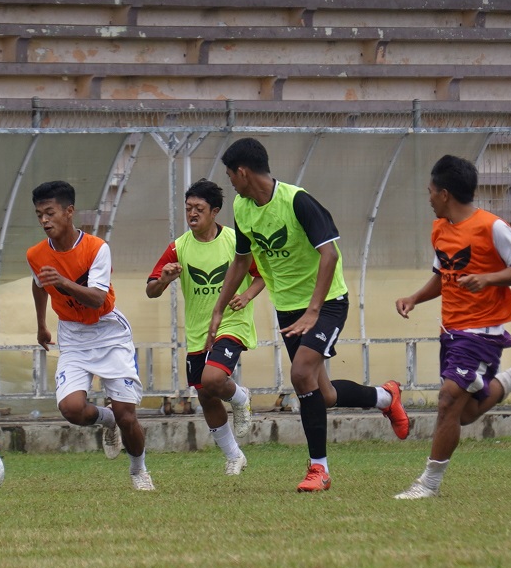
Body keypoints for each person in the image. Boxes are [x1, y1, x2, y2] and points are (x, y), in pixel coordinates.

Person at [208, 137, 410, 493]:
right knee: (324, 394)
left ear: (242, 172)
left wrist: (314, 310)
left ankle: (320, 469)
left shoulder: (297, 200)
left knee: (301, 374)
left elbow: (329, 255)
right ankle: (385, 396)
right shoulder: (242, 207)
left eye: (230, 175)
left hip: (328, 301)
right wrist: (219, 307)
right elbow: (242, 260)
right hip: (289, 309)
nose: (231, 183)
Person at [393, 154, 511, 499]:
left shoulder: (492, 227)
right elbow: (444, 277)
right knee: (465, 413)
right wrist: (414, 298)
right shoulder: (440, 229)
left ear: (444, 194)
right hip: (452, 331)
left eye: (430, 191)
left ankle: (428, 485)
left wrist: (488, 279)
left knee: (446, 402)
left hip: (482, 333)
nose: (427, 198)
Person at [27, 180, 154, 491]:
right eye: (39, 215)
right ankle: (105, 420)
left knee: (127, 416)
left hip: (108, 332)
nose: (44, 220)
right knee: (71, 408)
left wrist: (63, 281)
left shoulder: (97, 248)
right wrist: (42, 324)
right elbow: (39, 284)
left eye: (50, 213)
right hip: (73, 336)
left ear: (69, 212)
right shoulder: (36, 254)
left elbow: (97, 298)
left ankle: (139, 471)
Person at [147, 178, 265, 475]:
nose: (192, 214)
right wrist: (164, 279)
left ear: (215, 211)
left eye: (198, 208)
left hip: (231, 323)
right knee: (205, 395)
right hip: (199, 331)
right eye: (188, 208)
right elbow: (150, 289)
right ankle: (234, 456)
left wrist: (247, 295)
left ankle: (241, 397)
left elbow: (263, 274)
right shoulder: (178, 247)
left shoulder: (236, 242)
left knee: (213, 379)